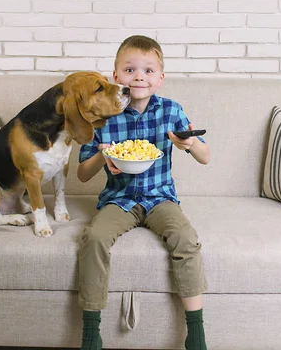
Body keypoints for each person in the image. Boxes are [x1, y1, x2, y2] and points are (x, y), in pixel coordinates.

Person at [77, 35, 210, 350]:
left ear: (160, 79)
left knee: (186, 239)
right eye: (130, 69)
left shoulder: (171, 111)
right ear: (115, 76)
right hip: (119, 200)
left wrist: (189, 142)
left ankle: (197, 334)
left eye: (149, 70)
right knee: (93, 238)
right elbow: (82, 174)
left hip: (160, 197)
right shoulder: (102, 116)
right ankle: (91, 335)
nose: (139, 76)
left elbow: (206, 157)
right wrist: (102, 155)